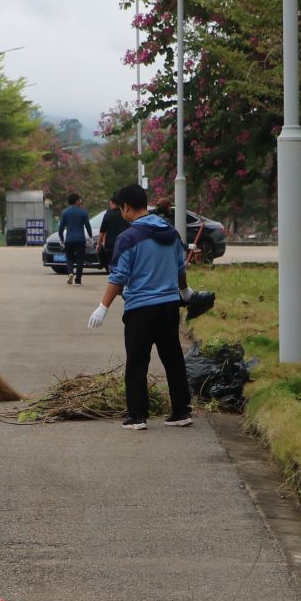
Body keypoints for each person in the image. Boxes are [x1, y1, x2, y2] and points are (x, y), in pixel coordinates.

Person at [89, 183, 193, 430]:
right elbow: (180, 268)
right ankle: (181, 411)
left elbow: (118, 277)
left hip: (140, 310)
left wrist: (103, 307)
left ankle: (137, 416)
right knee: (173, 359)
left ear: (125, 207)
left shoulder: (129, 238)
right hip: (169, 306)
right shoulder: (171, 233)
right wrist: (185, 291)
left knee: (137, 362)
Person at [57, 192, 93, 284]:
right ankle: (78, 280)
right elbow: (88, 226)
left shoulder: (65, 212)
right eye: (79, 199)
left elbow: (61, 228)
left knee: (69, 257)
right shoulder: (83, 212)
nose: (80, 201)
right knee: (80, 259)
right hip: (80, 239)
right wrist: (91, 237)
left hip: (69, 239)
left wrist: (61, 239)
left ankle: (70, 272)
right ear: (77, 201)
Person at [97, 196, 129, 273]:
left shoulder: (108, 215)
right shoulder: (125, 215)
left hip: (110, 245)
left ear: (114, 204)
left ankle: (114, 279)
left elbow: (102, 231)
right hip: (124, 243)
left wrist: (98, 244)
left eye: (110, 204)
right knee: (123, 264)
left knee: (112, 265)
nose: (110, 206)